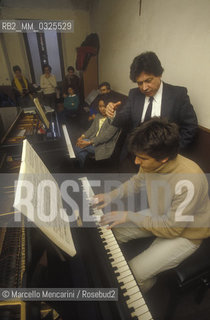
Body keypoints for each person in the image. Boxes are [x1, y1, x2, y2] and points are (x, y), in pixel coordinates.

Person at [94, 117, 210, 293]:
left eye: (141, 158)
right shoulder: (150, 162)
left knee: (132, 276)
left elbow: (172, 229)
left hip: (186, 233)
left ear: (163, 159)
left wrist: (129, 215)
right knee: (109, 230)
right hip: (161, 214)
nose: (136, 162)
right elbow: (137, 182)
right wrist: (111, 195)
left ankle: (134, 304)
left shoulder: (190, 180)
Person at [106, 51, 198, 151]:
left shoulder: (178, 95)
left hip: (163, 156)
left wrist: (173, 152)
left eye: (148, 81)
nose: (144, 88)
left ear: (159, 74)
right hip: (134, 153)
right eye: (139, 83)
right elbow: (123, 118)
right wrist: (112, 112)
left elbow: (190, 127)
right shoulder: (134, 94)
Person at [75, 96, 121, 167]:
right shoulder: (98, 116)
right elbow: (92, 129)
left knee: (78, 146)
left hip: (105, 146)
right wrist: (82, 136)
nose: (102, 109)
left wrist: (88, 142)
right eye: (100, 106)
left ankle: (81, 169)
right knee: (81, 148)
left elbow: (105, 136)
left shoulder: (115, 120)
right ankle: (83, 169)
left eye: (104, 106)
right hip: (94, 141)